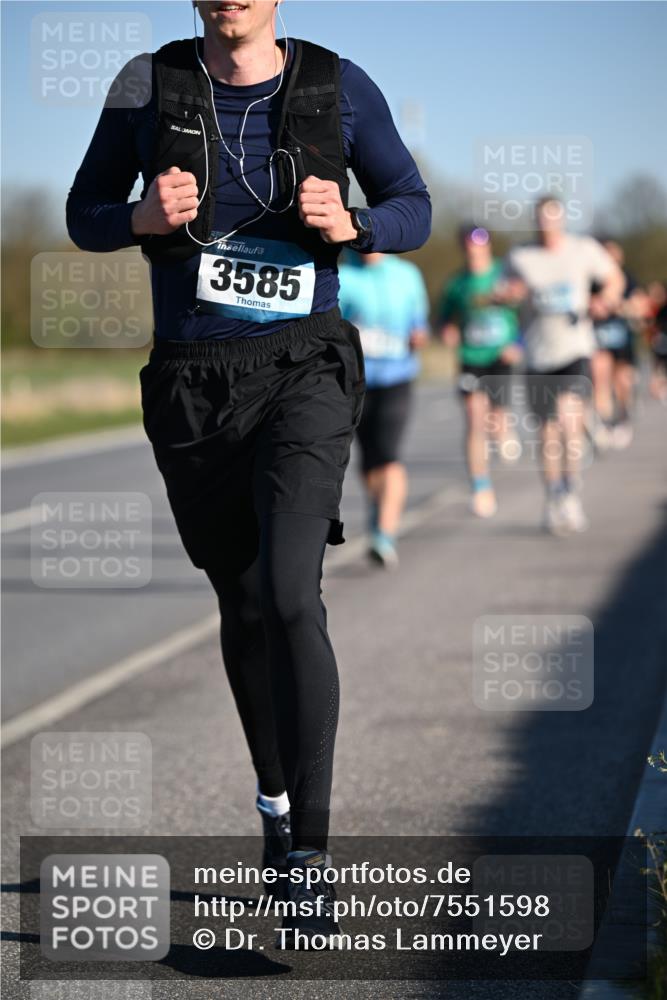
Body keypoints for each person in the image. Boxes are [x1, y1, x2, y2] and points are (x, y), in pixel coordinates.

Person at [67, 0, 430, 947]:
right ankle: (273, 806)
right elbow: (84, 213)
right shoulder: (148, 83)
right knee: (241, 603)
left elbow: (414, 207)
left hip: (304, 366)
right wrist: (138, 216)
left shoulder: (337, 84)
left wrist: (352, 221)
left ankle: (307, 856)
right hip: (191, 381)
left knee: (288, 592)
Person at [504, 196, 624, 536]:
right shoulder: (520, 256)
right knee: (547, 432)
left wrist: (606, 299)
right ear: (535, 220)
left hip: (575, 348)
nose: (547, 224)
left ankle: (571, 491)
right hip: (539, 353)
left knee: (570, 422)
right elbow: (504, 288)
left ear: (563, 219)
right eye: (541, 218)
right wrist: (509, 294)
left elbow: (613, 278)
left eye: (553, 217)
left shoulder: (583, 250)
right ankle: (554, 495)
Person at [338, 252, 429, 567]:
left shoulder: (407, 274)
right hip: (358, 383)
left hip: (397, 377)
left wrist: (419, 335)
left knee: (389, 455)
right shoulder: (342, 276)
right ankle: (379, 509)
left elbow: (420, 323)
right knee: (369, 462)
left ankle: (384, 534)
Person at [438, 225, 522, 518]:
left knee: (495, 419)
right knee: (475, 419)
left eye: (480, 246)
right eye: (469, 247)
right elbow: (444, 318)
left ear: (487, 247)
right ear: (464, 249)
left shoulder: (505, 274)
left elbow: (527, 310)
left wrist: (519, 341)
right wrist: (447, 330)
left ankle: (504, 430)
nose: (475, 252)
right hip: (471, 358)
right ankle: (481, 485)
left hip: (500, 355)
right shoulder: (457, 284)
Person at [589, 238, 643, 450]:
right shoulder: (592, 280)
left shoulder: (628, 279)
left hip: (622, 337)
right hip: (598, 337)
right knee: (599, 377)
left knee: (621, 381)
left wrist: (617, 305)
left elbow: (639, 307)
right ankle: (602, 424)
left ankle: (623, 417)